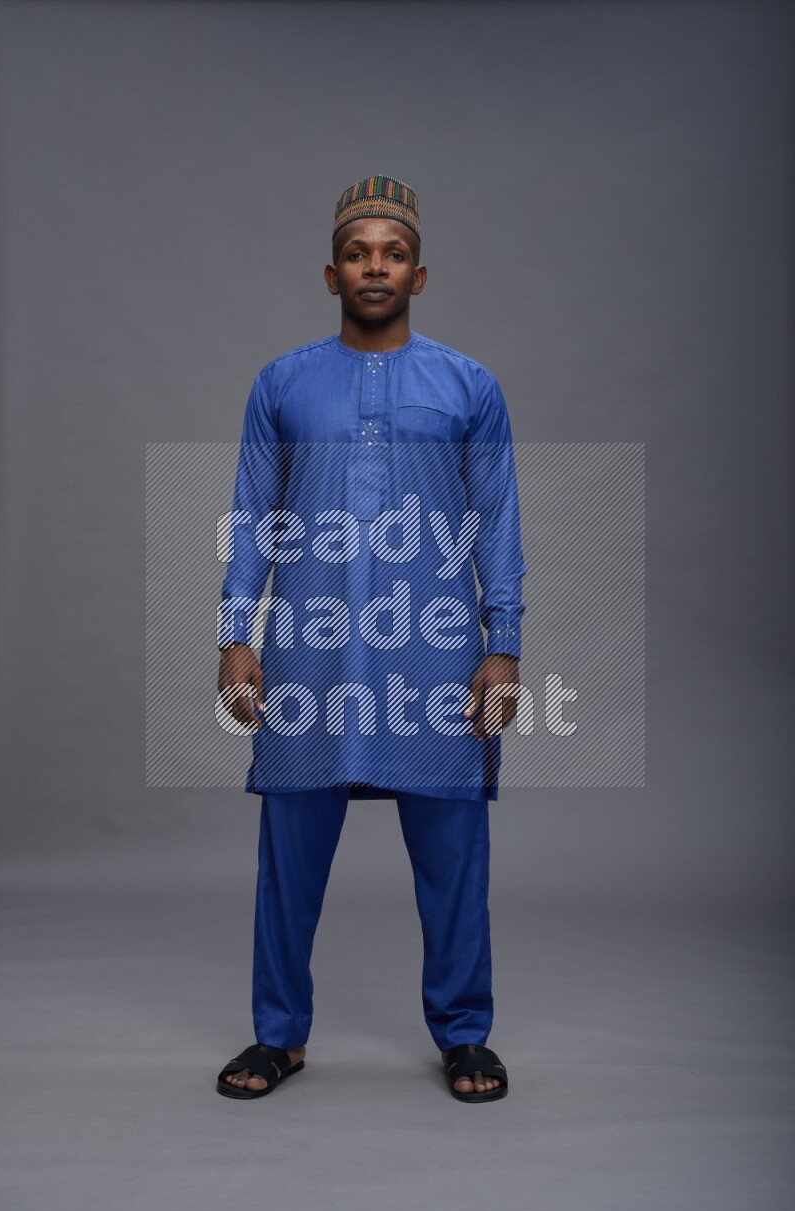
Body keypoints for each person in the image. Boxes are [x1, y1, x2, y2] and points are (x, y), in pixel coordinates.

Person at [214, 175, 526, 1103]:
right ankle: (279, 1035)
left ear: (419, 274)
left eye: (392, 253)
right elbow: (251, 516)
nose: (375, 267)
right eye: (358, 253)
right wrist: (237, 635)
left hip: (432, 653)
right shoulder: (283, 383)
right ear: (331, 272)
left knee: (455, 852)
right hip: (312, 650)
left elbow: (498, 517)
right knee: (289, 852)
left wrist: (501, 643)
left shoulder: (469, 385)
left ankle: (465, 1034)